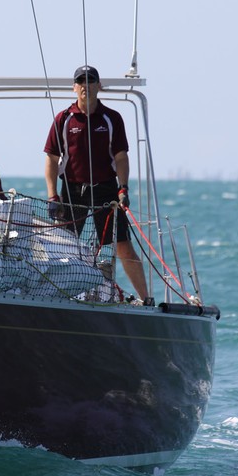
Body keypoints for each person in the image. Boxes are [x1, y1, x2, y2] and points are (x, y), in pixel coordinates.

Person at [43, 65, 149, 301]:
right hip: (72, 191)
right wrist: (52, 196)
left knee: (122, 244)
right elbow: (51, 158)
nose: (85, 86)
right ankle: (56, 296)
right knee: (64, 246)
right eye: (81, 82)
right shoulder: (63, 119)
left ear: (98, 86)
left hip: (106, 189)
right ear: (74, 88)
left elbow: (121, 157)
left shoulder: (112, 118)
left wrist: (123, 188)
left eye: (91, 81)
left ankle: (145, 297)